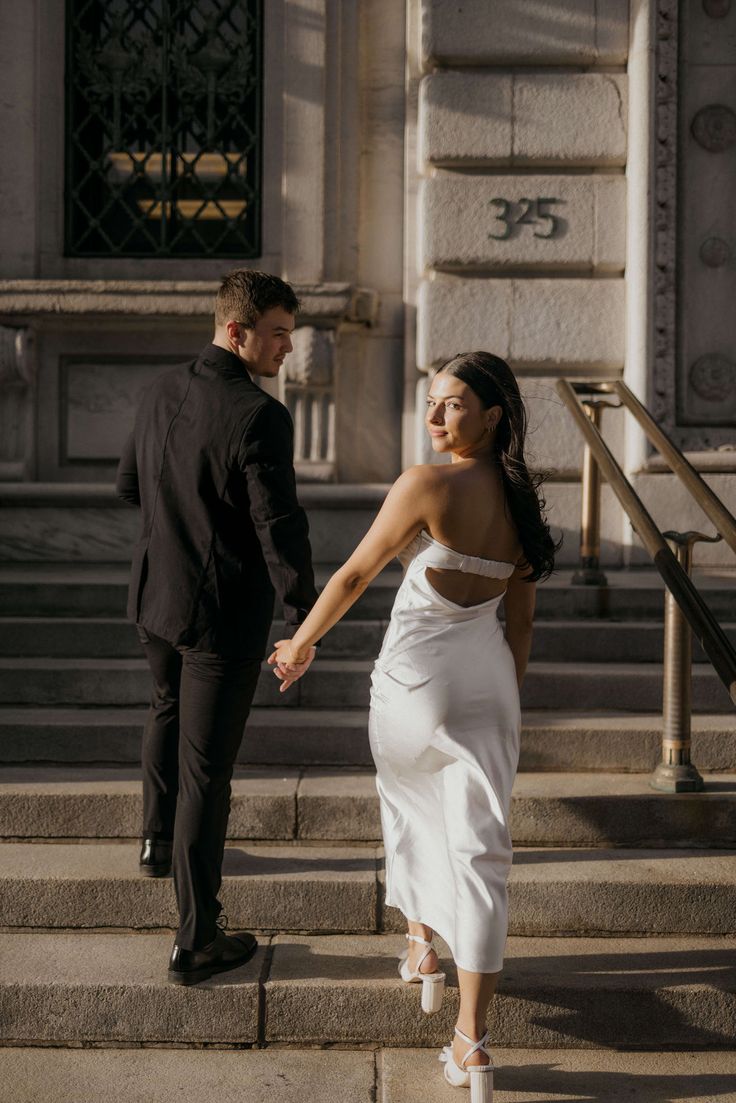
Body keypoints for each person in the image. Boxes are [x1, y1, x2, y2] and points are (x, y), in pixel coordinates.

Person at [270, 351, 557, 1100]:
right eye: (430, 402)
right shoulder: (521, 501)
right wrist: (504, 703)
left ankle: (422, 943)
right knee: (482, 857)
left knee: (408, 805)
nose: (434, 417)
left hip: (412, 684)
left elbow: (356, 574)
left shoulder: (425, 483)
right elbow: (520, 621)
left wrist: (300, 642)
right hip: (489, 689)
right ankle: (472, 1040)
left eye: (452, 404)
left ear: (491, 417)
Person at [116, 269, 319, 985]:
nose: (286, 349)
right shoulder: (259, 414)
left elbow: (129, 487)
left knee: (164, 710)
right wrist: (305, 614)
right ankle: (197, 937)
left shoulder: (159, 390)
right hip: (217, 614)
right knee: (208, 770)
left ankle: (154, 836)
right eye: (277, 334)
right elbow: (278, 526)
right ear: (238, 331)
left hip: (153, 599)